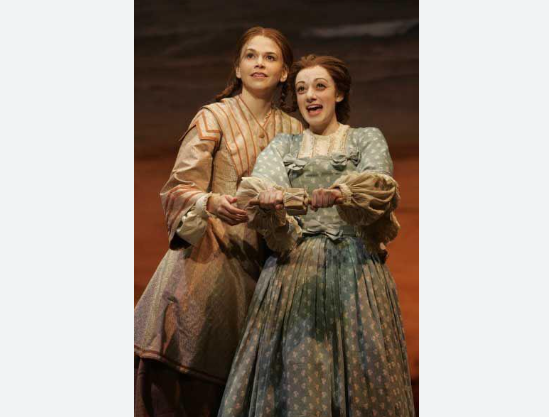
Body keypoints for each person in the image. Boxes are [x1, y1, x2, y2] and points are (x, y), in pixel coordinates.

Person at [219, 55, 415, 416]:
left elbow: (379, 186)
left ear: (338, 94)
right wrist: (268, 198)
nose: (310, 95)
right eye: (301, 89)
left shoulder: (365, 139)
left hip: (356, 271)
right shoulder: (284, 146)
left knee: (365, 371)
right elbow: (260, 185)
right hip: (295, 271)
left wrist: (343, 193)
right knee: (297, 371)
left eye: (320, 86)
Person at [134, 27, 303, 417]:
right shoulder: (213, 117)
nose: (259, 63)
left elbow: (300, 198)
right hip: (209, 252)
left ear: (284, 73)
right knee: (186, 365)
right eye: (250, 55)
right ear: (238, 68)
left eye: (270, 57)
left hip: (267, 262)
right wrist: (210, 201)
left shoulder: (295, 131)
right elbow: (178, 187)